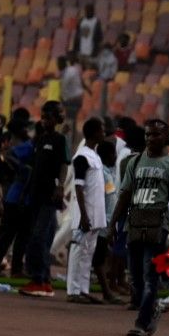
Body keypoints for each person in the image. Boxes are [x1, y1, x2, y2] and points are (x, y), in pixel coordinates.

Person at [108, 119, 169, 336]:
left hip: (157, 225)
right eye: (147, 135)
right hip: (134, 224)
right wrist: (112, 224)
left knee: (150, 276)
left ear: (166, 138)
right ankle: (152, 308)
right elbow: (125, 194)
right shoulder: (135, 162)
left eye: (155, 135)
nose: (149, 139)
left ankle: (141, 322)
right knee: (135, 276)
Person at [20, 101, 70, 297]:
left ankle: (39, 278)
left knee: (39, 237)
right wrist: (26, 191)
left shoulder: (60, 140)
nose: (44, 121)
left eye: (48, 118)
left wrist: (60, 186)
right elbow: (35, 168)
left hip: (50, 195)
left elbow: (65, 165)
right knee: (43, 236)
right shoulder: (40, 139)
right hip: (36, 194)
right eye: (43, 117)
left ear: (56, 119)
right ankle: (45, 279)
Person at [66, 118, 107, 303]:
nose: (104, 133)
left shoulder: (94, 155)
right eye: (102, 129)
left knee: (88, 252)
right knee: (77, 251)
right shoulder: (82, 157)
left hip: (95, 213)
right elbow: (78, 187)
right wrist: (83, 214)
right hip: (85, 213)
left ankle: (83, 289)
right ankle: (73, 291)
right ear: (94, 133)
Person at [0, 118, 34, 276]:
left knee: (19, 235)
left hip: (21, 197)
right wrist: (22, 169)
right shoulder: (29, 146)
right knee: (9, 234)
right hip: (16, 197)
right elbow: (9, 155)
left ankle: (14, 268)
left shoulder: (29, 145)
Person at [92, 140, 125, 305]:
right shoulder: (102, 174)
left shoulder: (109, 173)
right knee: (99, 257)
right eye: (113, 154)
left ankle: (109, 288)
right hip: (103, 222)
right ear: (107, 155)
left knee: (104, 255)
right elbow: (104, 200)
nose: (116, 156)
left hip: (108, 221)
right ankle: (107, 291)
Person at [58, 55, 89, 146]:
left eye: (59, 63)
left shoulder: (67, 74)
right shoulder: (72, 70)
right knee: (72, 119)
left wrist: (62, 100)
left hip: (73, 99)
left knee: (70, 120)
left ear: (63, 63)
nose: (58, 65)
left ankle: (70, 141)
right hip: (77, 97)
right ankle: (73, 139)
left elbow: (64, 91)